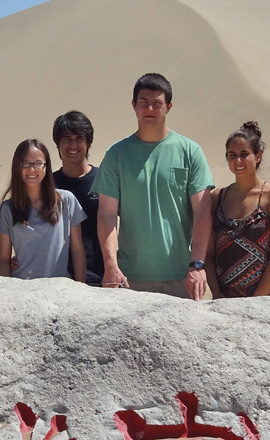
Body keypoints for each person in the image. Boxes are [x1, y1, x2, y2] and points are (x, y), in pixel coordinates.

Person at [90, 72, 214, 300]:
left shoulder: (190, 152)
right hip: (129, 279)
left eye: (157, 103)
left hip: (181, 277)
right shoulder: (117, 155)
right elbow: (107, 215)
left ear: (169, 107)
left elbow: (203, 211)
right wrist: (110, 265)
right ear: (134, 105)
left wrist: (197, 265)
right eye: (143, 103)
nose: (149, 109)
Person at [206, 121, 270, 297]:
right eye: (232, 154)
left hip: (269, 299)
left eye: (244, 154)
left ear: (258, 156)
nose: (238, 161)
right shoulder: (217, 197)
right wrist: (216, 294)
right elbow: (208, 254)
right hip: (226, 299)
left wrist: (255, 301)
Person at [0, 139, 87, 281]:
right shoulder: (7, 209)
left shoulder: (66, 200)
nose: (32, 169)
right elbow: (3, 258)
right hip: (21, 288)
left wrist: (81, 287)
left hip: (60, 288)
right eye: (25, 163)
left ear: (46, 166)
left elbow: (77, 250)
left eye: (38, 163)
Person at [51, 111, 104, 285]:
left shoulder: (104, 181)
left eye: (79, 138)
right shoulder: (48, 185)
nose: (73, 145)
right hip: (56, 277)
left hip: (101, 276)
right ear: (57, 144)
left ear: (88, 142)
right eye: (66, 139)